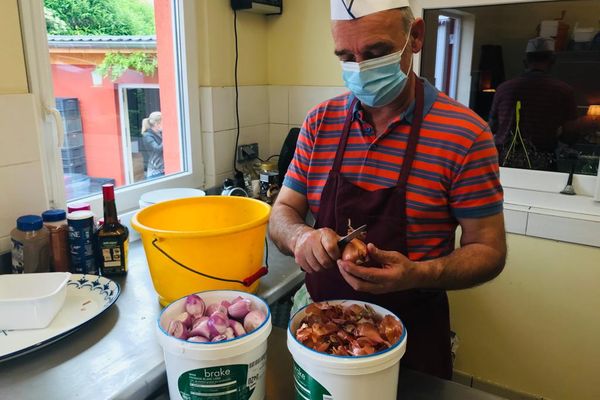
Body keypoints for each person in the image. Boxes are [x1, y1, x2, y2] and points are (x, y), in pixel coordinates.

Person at [269, 0, 506, 380]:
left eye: (376, 52)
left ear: (415, 37)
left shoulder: (465, 135)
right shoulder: (319, 123)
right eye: (346, 56)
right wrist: (300, 237)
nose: (360, 68)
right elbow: (282, 212)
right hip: (324, 332)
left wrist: (417, 273)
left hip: (413, 338)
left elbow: (489, 251)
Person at [489, 37, 578, 167]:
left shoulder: (504, 88)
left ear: (525, 62)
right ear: (552, 61)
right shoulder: (563, 91)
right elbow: (571, 131)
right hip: (542, 161)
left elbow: (492, 126)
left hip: (504, 160)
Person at [141, 111, 164, 178]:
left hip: (162, 168)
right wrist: (167, 137)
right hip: (155, 170)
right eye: (163, 123)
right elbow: (157, 149)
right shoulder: (147, 136)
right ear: (157, 124)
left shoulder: (159, 133)